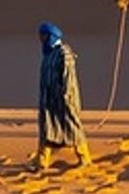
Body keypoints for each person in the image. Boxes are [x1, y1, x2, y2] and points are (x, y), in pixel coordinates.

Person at [32, 22, 91, 169]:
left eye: (44, 35)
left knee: (73, 127)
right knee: (47, 129)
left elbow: (68, 79)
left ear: (52, 36)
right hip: (49, 101)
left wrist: (66, 97)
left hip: (64, 100)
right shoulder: (48, 54)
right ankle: (41, 162)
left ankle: (84, 158)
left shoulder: (64, 54)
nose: (41, 38)